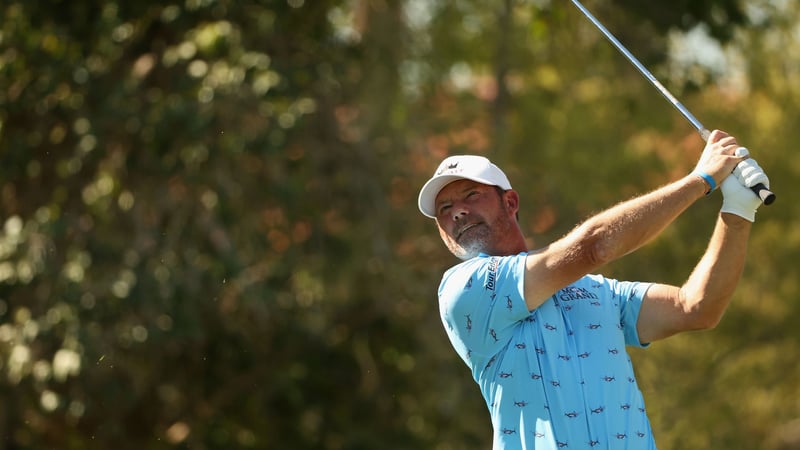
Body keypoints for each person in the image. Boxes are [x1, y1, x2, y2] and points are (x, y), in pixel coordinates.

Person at [417, 130, 769, 450]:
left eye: (471, 195)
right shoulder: (465, 288)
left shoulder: (596, 290)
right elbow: (594, 247)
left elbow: (696, 307)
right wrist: (701, 179)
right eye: (444, 210)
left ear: (510, 203)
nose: (457, 213)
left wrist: (737, 212)